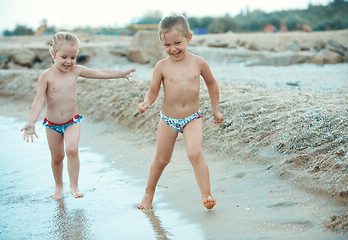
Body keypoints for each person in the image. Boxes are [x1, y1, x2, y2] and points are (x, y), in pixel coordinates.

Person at [20, 31, 136, 199]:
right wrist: (31, 122)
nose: (69, 62)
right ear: (53, 54)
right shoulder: (46, 76)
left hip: (72, 122)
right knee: (57, 157)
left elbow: (99, 73)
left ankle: (74, 186)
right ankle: (59, 187)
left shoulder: (75, 71)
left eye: (73, 57)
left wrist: (121, 74)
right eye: (64, 57)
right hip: (51, 125)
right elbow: (38, 101)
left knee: (72, 149)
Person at [137, 15, 224, 210]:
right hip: (168, 119)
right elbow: (153, 91)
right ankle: (148, 193)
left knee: (195, 153)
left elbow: (211, 84)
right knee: (161, 160)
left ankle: (206, 195)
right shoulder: (162, 66)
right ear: (162, 43)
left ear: (189, 38)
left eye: (178, 42)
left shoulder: (199, 63)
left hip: (193, 118)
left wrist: (215, 109)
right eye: (167, 45)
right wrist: (146, 102)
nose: (173, 48)